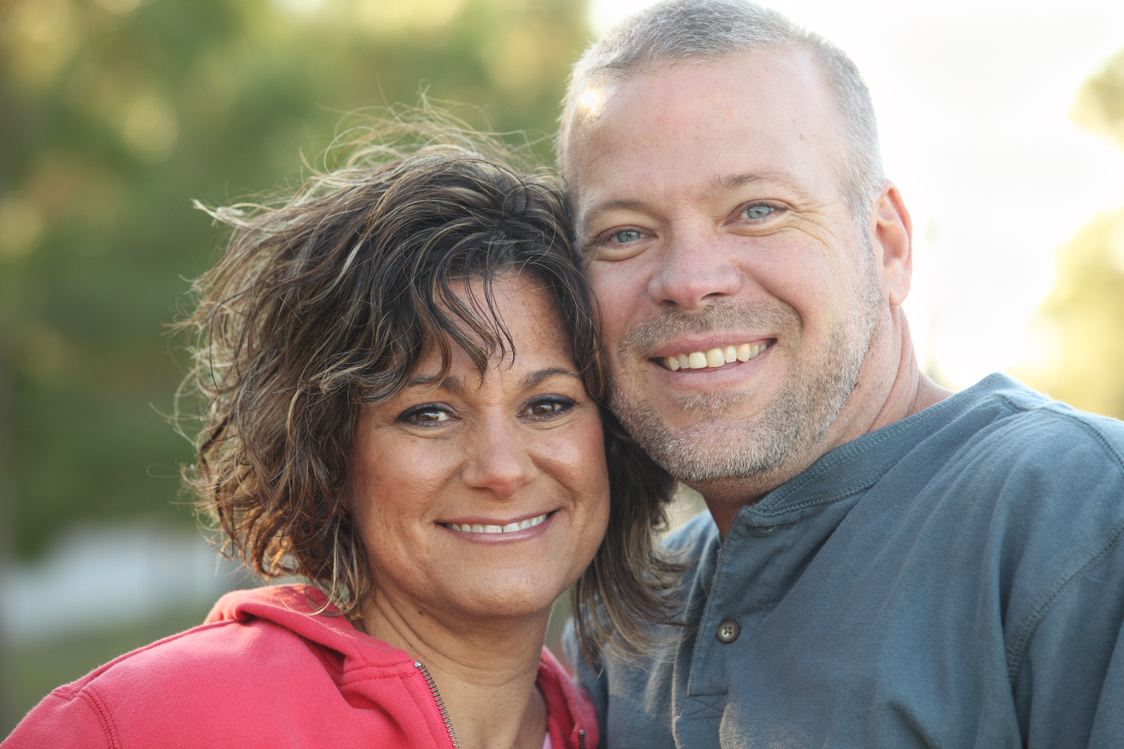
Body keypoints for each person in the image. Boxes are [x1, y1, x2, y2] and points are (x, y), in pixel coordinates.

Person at [3, 123, 679, 749]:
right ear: (327, 453)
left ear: (613, 439)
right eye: (429, 413)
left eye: (549, 403)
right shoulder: (144, 723)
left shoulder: (629, 722)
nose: (501, 468)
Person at [558, 1, 1124, 746]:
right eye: (624, 233)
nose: (690, 280)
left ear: (886, 245)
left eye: (756, 208)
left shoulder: (1078, 515)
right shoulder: (620, 628)